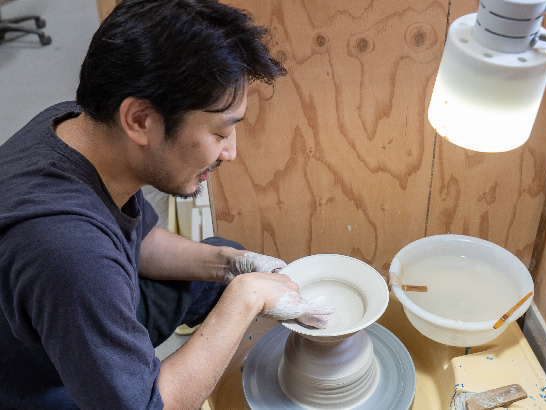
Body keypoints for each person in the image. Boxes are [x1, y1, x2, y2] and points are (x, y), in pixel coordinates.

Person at [0, 0, 334, 409]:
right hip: (31, 378)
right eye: (220, 133)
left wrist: (231, 265)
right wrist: (244, 300)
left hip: (62, 304)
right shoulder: (71, 254)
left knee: (224, 262)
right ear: (140, 120)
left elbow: (139, 240)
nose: (230, 152)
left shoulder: (77, 126)